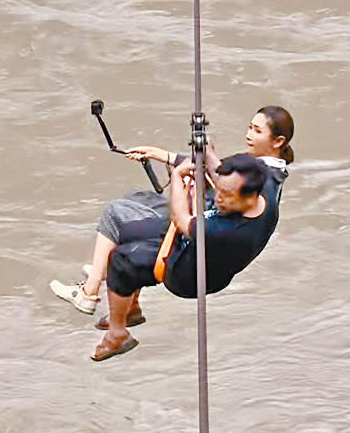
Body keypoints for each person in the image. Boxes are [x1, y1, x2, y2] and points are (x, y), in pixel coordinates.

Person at [49, 105, 294, 318]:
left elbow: (218, 179)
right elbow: (216, 171)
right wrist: (159, 154)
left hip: (199, 232)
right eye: (250, 127)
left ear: (278, 141)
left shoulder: (266, 181)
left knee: (115, 214)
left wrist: (187, 171)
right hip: (206, 216)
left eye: (257, 131)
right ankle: (107, 275)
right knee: (137, 198)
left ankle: (89, 292)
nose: (249, 135)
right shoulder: (264, 167)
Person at [89, 152, 276, 360]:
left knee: (122, 260)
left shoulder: (222, 231)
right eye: (219, 189)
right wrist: (206, 151)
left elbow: (180, 218)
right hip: (203, 252)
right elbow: (216, 168)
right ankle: (130, 308)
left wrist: (178, 176)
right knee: (135, 211)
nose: (218, 198)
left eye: (227, 195)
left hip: (188, 274)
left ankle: (117, 334)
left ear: (249, 196)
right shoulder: (266, 193)